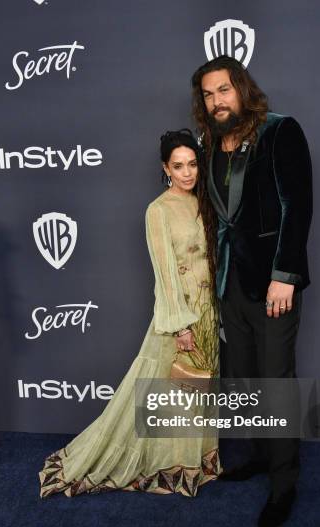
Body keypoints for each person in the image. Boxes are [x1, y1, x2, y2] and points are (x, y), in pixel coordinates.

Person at [38, 129, 221, 498]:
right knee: (171, 390)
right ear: (164, 168)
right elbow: (165, 272)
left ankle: (193, 459)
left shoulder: (203, 201)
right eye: (178, 166)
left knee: (196, 390)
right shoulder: (158, 210)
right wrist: (180, 325)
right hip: (180, 316)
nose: (187, 173)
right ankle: (168, 465)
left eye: (192, 164)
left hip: (208, 313)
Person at [191, 55, 313, 527]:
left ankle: (284, 484)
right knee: (243, 380)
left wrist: (285, 275)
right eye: (208, 94)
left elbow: (296, 206)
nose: (217, 101)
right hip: (230, 287)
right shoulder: (210, 145)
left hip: (272, 284)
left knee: (275, 381)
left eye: (224, 90)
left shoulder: (281, 131)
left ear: (242, 89)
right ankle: (262, 456)